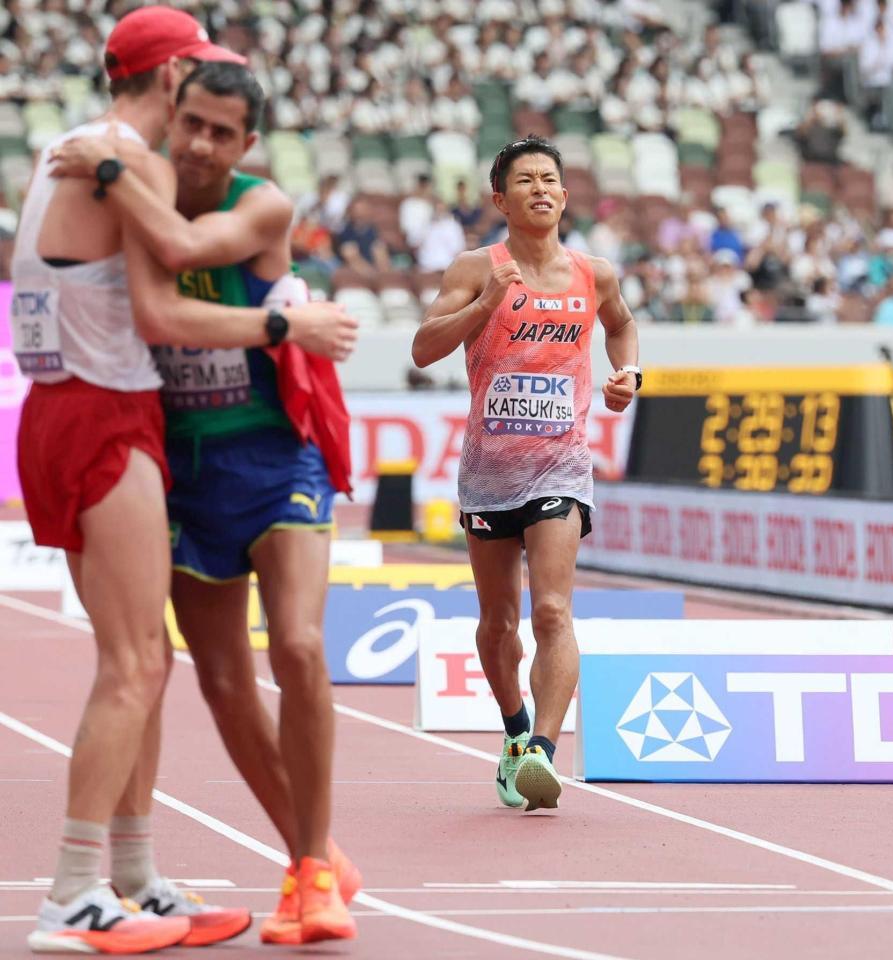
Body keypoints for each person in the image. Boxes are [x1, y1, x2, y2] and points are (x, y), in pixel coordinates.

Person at [11, 7, 356, 953]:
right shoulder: (132, 163)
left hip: (70, 414)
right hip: (111, 414)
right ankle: (77, 891)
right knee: (142, 666)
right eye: (192, 96)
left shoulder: (72, 149)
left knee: (193, 660)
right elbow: (164, 297)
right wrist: (287, 327)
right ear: (170, 81)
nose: (198, 133)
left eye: (222, 124)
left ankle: (139, 877)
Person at [410, 135, 639, 811]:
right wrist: (483, 306)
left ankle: (542, 750)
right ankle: (513, 733)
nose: (539, 189)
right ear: (499, 198)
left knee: (551, 609)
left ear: (564, 196)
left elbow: (620, 327)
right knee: (497, 622)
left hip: (559, 468)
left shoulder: (593, 273)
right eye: (524, 180)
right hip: (487, 474)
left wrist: (628, 374)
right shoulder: (476, 266)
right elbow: (423, 349)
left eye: (550, 179)